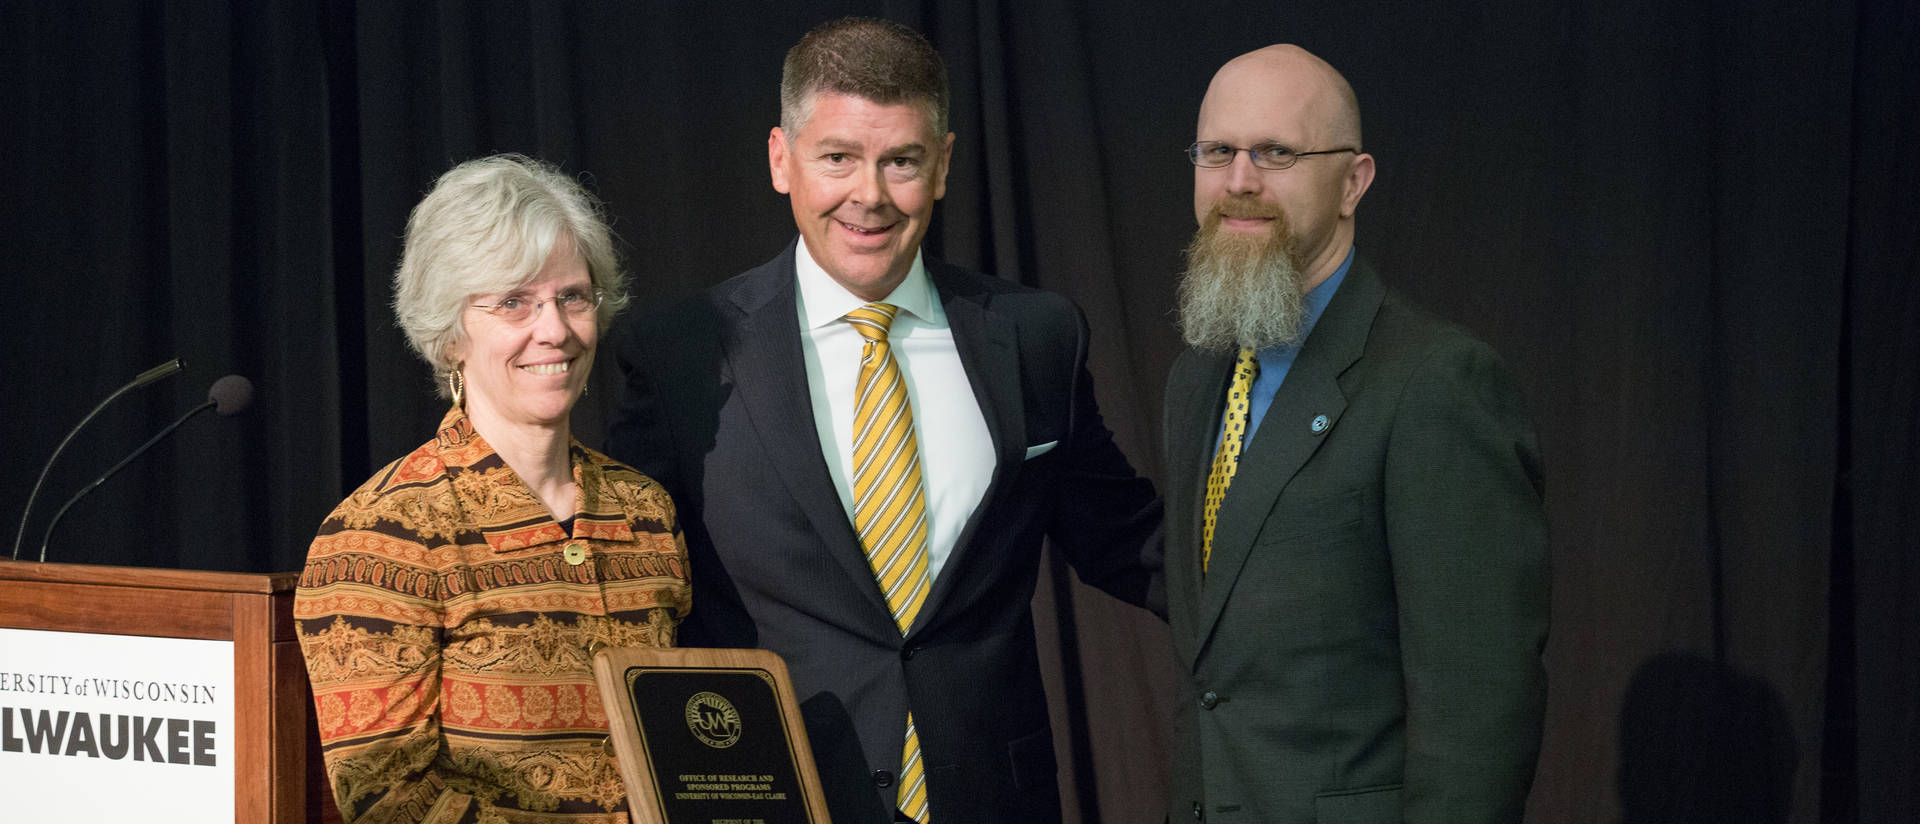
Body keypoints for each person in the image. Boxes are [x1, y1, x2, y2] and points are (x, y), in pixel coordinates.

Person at [607, 17, 1161, 824]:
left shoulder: (1035, 335)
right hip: (772, 796)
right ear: (780, 159)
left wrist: (1307, 599)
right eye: (838, 158)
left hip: (991, 798)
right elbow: (634, 584)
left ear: (941, 166)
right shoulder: (681, 352)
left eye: (900, 160)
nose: (869, 195)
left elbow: (1124, 537)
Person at [1161, 45, 1550, 823]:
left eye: (1276, 152)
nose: (1240, 180)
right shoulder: (1199, 377)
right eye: (1217, 151)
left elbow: (1479, 710)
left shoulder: (1436, 381)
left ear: (1354, 181)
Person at [295, 154, 690, 823]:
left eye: (572, 296)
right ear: (451, 335)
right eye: (514, 303)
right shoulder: (383, 534)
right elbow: (389, 801)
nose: (556, 329)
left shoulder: (646, 512)